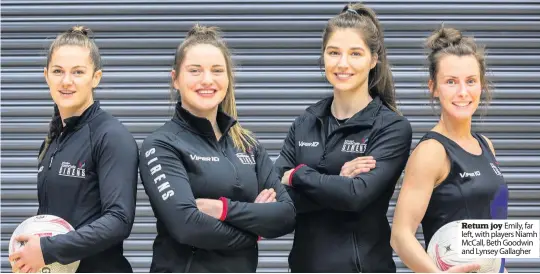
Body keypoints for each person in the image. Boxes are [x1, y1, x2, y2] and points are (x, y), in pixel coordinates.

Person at [138, 24, 296, 273]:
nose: (207, 80)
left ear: (228, 79)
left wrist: (221, 209)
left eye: (217, 71)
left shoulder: (248, 144)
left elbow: (287, 214)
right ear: (175, 79)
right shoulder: (161, 145)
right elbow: (186, 225)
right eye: (195, 71)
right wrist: (254, 230)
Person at [274, 3, 413, 273]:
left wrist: (296, 176)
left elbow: (355, 196)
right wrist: (337, 181)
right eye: (334, 52)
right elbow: (278, 197)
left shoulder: (392, 127)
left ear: (374, 59)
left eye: (355, 53)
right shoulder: (306, 121)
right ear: (323, 56)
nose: (342, 63)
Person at [9, 26, 139, 273]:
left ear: (96, 77)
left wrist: (47, 249)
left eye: (78, 72)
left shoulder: (112, 136)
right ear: (46, 75)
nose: (66, 81)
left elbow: (119, 221)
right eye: (58, 71)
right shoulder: (54, 139)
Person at [390, 26, 509, 273]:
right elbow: (400, 236)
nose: (462, 92)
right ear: (433, 87)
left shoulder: (485, 145)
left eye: (470, 81)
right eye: (451, 82)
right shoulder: (431, 151)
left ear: (481, 85)